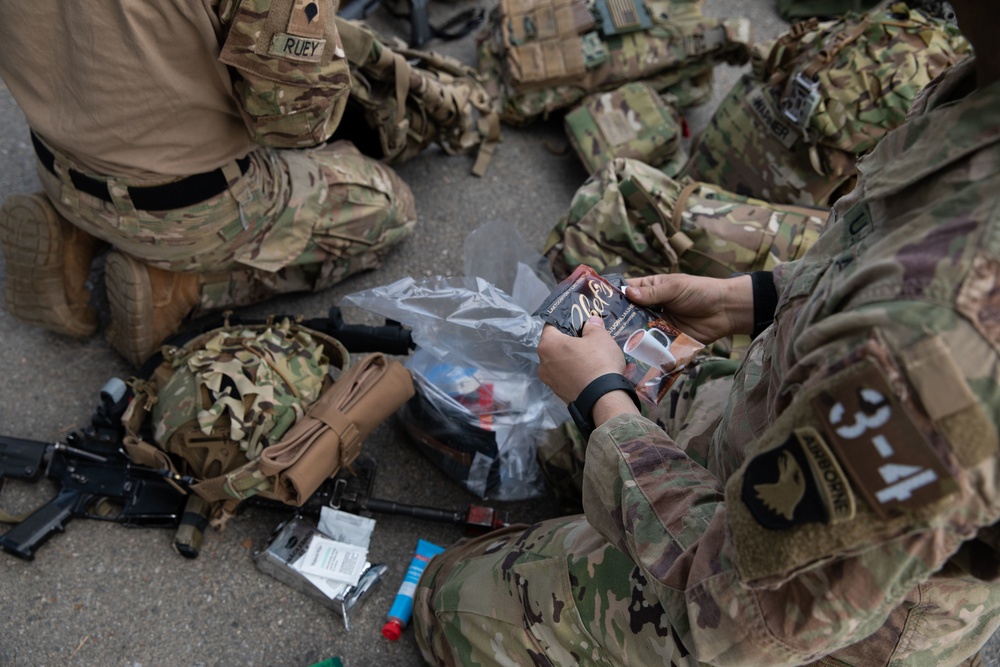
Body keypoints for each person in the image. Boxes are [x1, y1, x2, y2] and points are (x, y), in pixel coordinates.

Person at [412, 0, 1000, 664]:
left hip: (795, 619)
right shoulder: (980, 88)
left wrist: (605, 401)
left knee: (449, 600)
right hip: (781, 434)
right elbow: (880, 251)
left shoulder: (949, 338)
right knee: (564, 444)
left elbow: (743, 617)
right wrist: (753, 299)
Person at [0, 1, 416, 366]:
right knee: (389, 206)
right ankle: (181, 286)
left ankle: (71, 236)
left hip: (59, 163)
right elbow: (297, 124)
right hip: (190, 208)